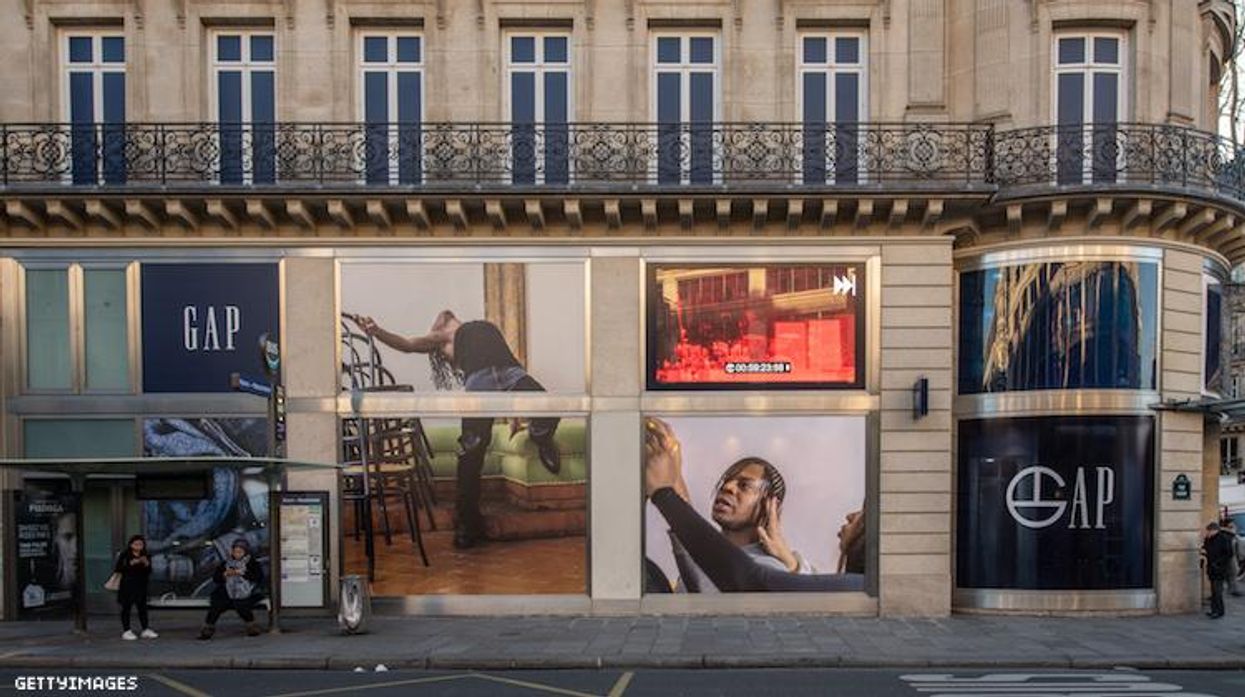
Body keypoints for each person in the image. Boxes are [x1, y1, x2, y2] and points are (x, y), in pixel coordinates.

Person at [355, 310, 561, 548]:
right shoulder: (442, 337)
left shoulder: (476, 328)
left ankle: (540, 436)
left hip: (512, 372)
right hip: (480, 383)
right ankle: (468, 523)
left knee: (550, 405)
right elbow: (407, 344)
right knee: (471, 452)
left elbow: (507, 363)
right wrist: (377, 331)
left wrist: (515, 413)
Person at [644, 416, 864, 592]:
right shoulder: (710, 557)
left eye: (745, 486)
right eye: (726, 482)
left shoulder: (769, 567)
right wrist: (672, 474)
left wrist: (666, 489)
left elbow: (715, 581)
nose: (728, 487)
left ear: (770, 506)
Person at [198, 539, 264, 640]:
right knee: (217, 604)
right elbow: (216, 578)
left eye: (240, 552)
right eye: (235, 551)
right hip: (228, 591)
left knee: (241, 604)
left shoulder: (252, 563)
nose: (237, 554)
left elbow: (258, 578)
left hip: (248, 591)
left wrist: (242, 573)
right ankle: (208, 627)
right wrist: (224, 575)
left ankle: (251, 625)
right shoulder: (226, 563)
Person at [114, 535, 157, 640]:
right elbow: (118, 568)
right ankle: (127, 630)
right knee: (126, 608)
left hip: (141, 585)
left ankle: (145, 629)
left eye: (140, 544)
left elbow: (149, 571)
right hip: (127, 585)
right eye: (136, 544)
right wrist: (131, 563)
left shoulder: (145, 555)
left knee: (142, 608)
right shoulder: (125, 555)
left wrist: (146, 563)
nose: (138, 546)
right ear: (131, 545)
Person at [1203, 521, 1235, 619]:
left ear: (1214, 530)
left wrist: (1218, 563)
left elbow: (1229, 554)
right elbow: (1206, 549)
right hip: (1211, 568)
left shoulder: (1223, 539)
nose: (1207, 533)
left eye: (1209, 531)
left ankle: (1219, 611)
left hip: (1220, 569)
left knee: (1217, 591)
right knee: (1213, 591)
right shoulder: (1209, 539)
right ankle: (1214, 610)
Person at [1224, 519, 1242, 597]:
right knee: (1232, 573)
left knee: (1232, 573)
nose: (1234, 526)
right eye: (1232, 524)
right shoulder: (1228, 534)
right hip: (1230, 557)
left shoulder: (1231, 534)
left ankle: (1233, 589)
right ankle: (1233, 590)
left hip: (1233, 556)